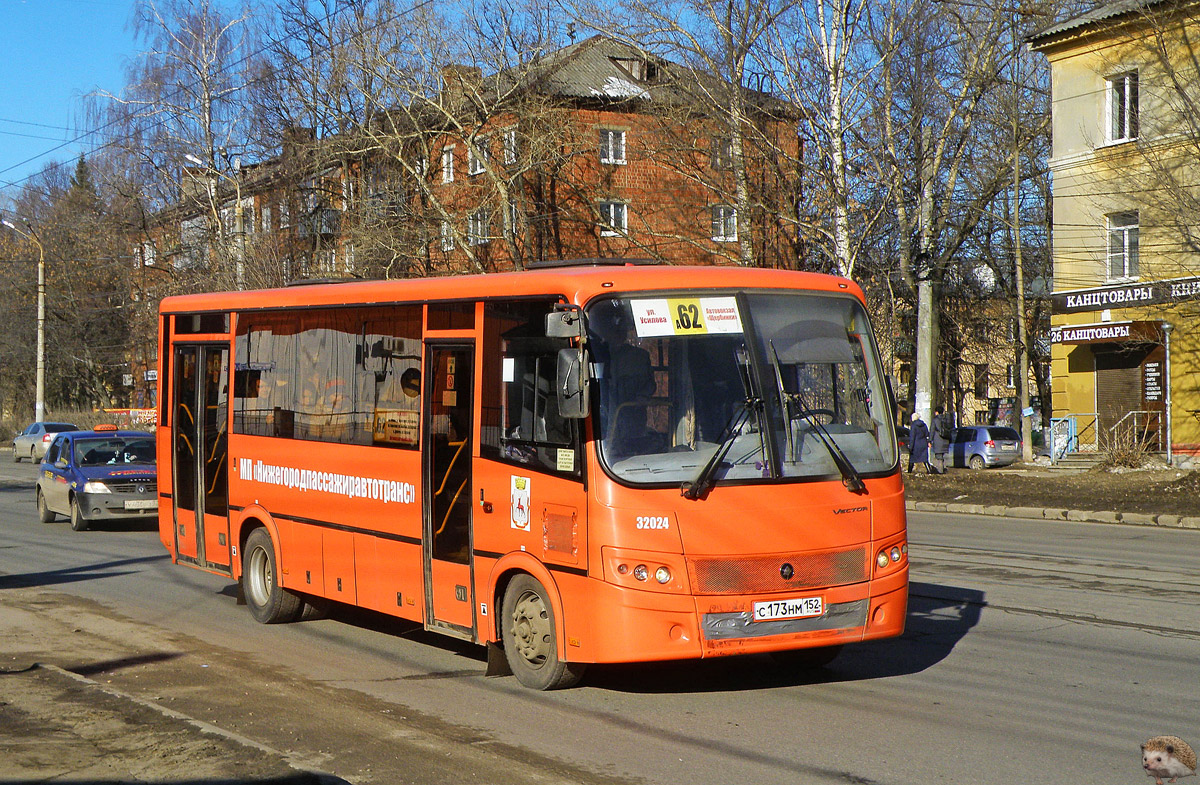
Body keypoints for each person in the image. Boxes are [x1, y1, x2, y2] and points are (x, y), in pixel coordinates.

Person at [931, 405, 951, 474]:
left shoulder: (935, 420)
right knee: (942, 456)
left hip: (938, 441)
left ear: (936, 412)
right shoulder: (946, 420)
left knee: (938, 457)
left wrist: (930, 440)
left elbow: (932, 431)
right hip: (946, 440)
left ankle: (940, 471)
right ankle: (943, 469)